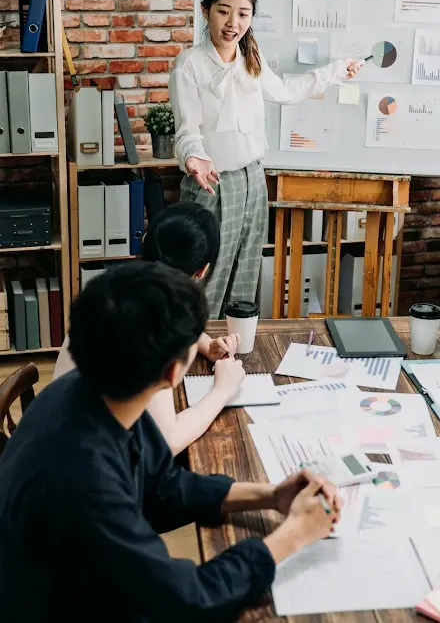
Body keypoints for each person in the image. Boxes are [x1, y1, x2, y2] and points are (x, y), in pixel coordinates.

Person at [0, 262, 341, 621]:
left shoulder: (89, 390)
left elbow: (159, 485)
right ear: (173, 372)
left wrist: (270, 495)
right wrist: (294, 535)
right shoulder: (86, 484)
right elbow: (186, 600)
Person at [170, 0, 363, 319]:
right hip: (212, 184)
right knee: (206, 276)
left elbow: (288, 92)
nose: (233, 22)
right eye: (223, 11)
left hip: (253, 182)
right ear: (205, 10)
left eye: (243, 14)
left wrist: (335, 71)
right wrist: (194, 156)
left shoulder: (251, 61)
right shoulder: (190, 65)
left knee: (245, 275)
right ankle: (193, 356)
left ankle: (235, 355)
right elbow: (187, 130)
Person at [53, 201, 246, 456]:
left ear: (146, 239)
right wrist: (223, 391)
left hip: (58, 431)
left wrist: (206, 345)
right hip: (82, 461)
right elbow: (168, 442)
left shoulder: (122, 283)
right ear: (202, 271)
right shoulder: (153, 324)